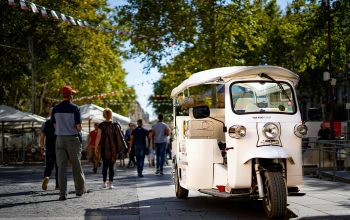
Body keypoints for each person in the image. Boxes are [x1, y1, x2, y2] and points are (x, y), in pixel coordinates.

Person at [51, 85, 86, 201]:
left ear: (62, 95)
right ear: (70, 95)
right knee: (76, 165)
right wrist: (78, 129)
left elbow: (54, 125)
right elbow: (78, 127)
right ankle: (79, 190)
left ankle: (62, 193)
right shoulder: (75, 108)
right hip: (72, 139)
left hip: (59, 138)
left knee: (61, 167)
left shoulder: (55, 109)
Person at [95, 108, 125, 189]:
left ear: (103, 115)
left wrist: (96, 147)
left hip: (104, 148)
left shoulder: (101, 125)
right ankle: (110, 184)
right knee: (112, 166)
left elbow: (98, 137)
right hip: (113, 149)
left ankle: (104, 183)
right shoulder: (115, 125)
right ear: (111, 115)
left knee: (105, 165)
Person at [39, 107, 59, 191]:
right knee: (59, 167)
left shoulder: (46, 123)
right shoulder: (59, 123)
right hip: (59, 147)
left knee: (49, 166)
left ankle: (46, 177)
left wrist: (42, 147)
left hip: (49, 147)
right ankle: (58, 185)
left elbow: (42, 137)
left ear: (50, 113)